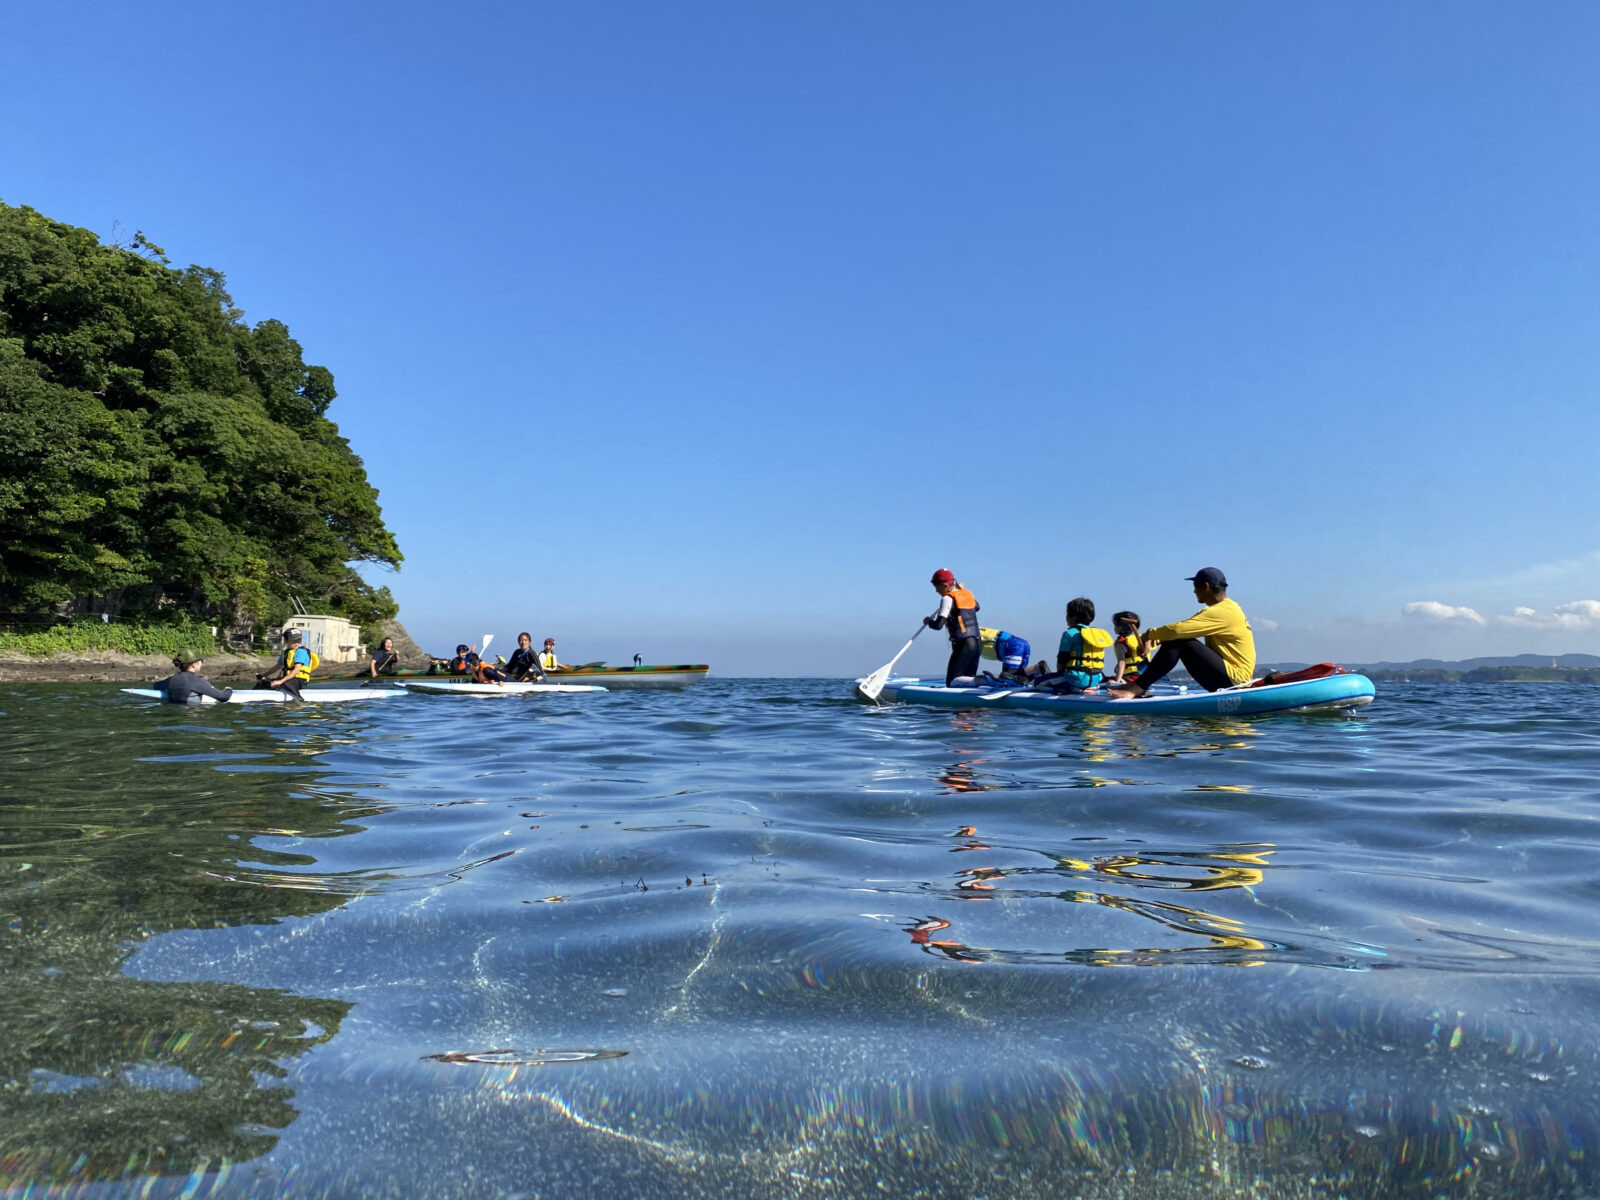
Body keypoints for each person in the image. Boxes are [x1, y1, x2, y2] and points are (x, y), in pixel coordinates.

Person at [1108, 567, 1256, 698]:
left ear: (1206, 586)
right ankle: (1139, 686)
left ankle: (1137, 687)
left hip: (1235, 682)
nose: (1193, 591)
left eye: (1195, 587)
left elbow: (1178, 630)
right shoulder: (1227, 608)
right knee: (1177, 638)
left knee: (1178, 641)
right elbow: (1185, 628)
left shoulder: (1221, 612)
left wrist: (1148, 635)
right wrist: (1154, 640)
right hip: (1231, 679)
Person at [1037, 598, 1114, 692]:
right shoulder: (1096, 635)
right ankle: (1094, 687)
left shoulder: (1070, 633)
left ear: (1073, 616)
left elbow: (1062, 659)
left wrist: (1059, 675)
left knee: (1038, 682)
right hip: (1096, 679)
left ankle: (1074, 689)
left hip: (1075, 679)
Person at [923, 569, 983, 686]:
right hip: (977, 644)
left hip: (964, 645)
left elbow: (938, 625)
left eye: (937, 587)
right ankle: (975, 696)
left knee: (952, 682)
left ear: (945, 586)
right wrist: (962, 590)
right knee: (968, 681)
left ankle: (985, 680)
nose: (936, 590)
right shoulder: (967, 594)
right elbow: (977, 607)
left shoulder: (947, 598)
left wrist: (928, 621)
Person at [157, 649, 234, 704]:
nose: (202, 663)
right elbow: (223, 697)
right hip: (191, 720)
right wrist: (228, 690)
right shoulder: (198, 682)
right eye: (201, 661)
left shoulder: (171, 680)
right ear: (194, 664)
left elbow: (156, 686)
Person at [258, 629, 315, 700]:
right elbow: (278, 666)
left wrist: (280, 681)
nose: (296, 642)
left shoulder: (301, 652)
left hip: (300, 681)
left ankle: (300, 700)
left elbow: (296, 670)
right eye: (293, 640)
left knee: (285, 683)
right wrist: (264, 675)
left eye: (299, 640)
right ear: (286, 640)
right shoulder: (286, 653)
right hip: (288, 679)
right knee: (264, 682)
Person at [1109, 612, 1148, 684]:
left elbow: (1122, 663)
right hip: (1145, 676)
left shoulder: (1120, 643)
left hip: (1130, 678)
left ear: (1121, 627)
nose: (1114, 627)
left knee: (1107, 680)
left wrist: (1116, 682)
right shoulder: (1142, 640)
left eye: (1115, 625)